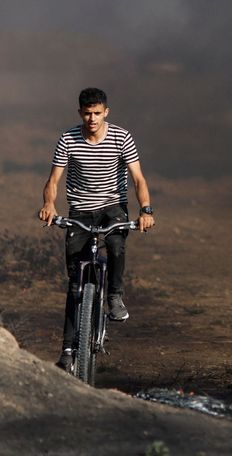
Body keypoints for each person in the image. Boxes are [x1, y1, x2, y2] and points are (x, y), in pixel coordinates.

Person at [38, 87, 155, 371]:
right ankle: (67, 349)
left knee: (115, 246)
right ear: (80, 113)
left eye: (97, 113)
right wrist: (49, 205)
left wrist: (146, 210)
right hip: (81, 209)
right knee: (75, 284)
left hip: (113, 207)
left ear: (106, 112)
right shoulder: (68, 139)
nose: (92, 118)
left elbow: (137, 178)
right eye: (87, 113)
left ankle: (114, 296)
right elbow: (54, 179)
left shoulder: (121, 137)